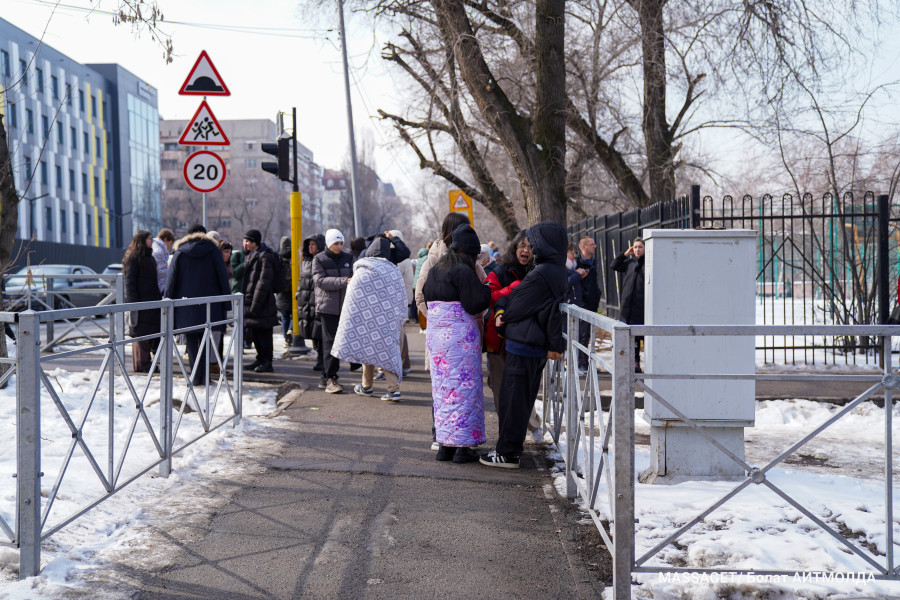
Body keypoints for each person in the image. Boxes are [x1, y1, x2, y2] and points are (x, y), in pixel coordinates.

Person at [480, 222, 568, 469]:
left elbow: (517, 303)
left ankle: (507, 453)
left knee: (514, 402)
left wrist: (502, 316)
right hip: (530, 344)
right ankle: (509, 450)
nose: (531, 247)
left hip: (525, 344)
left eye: (535, 242)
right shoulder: (553, 269)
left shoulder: (543, 272)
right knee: (519, 400)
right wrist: (503, 307)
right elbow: (512, 298)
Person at [424, 224, 491, 464]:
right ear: (469, 252)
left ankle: (445, 447)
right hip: (460, 339)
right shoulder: (463, 270)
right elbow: (474, 304)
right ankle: (464, 448)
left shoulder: (436, 269)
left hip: (438, 339)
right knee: (465, 391)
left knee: (444, 392)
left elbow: (425, 294)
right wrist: (487, 289)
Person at [483, 231, 545, 446]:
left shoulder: (538, 272)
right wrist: (512, 289)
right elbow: (490, 298)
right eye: (522, 246)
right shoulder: (498, 272)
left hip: (525, 340)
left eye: (530, 247)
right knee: (501, 390)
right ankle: (506, 436)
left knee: (523, 389)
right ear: (514, 248)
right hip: (498, 342)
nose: (526, 250)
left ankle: (533, 426)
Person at [332, 236, 408, 401]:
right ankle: (393, 389)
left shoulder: (361, 270)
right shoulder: (393, 271)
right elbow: (402, 297)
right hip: (387, 320)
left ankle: (367, 386)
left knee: (368, 347)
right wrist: (401, 317)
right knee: (388, 352)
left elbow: (352, 298)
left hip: (365, 320)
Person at [165, 224, 230, 387]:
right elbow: (223, 276)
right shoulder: (214, 251)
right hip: (211, 305)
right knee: (207, 340)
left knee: (192, 341)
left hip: (186, 306)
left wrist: (167, 301)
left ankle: (195, 376)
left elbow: (171, 280)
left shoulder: (179, 252)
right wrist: (226, 304)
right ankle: (205, 377)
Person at [312, 228, 354, 393]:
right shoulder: (319, 259)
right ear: (329, 243)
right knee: (330, 343)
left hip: (345, 307)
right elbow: (320, 281)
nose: (339, 246)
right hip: (327, 308)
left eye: (341, 243)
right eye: (336, 243)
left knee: (342, 342)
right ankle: (331, 378)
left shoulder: (348, 258)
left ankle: (326, 375)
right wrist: (344, 281)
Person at [123, 230, 162, 373]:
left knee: (149, 333)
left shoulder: (149, 257)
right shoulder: (133, 257)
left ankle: (146, 363)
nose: (152, 241)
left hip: (151, 302)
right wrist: (135, 304)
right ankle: (141, 365)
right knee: (141, 335)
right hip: (141, 303)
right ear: (142, 240)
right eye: (149, 239)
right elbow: (130, 283)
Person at [242, 229, 279, 373]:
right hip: (253, 302)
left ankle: (267, 362)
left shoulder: (265, 256)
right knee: (256, 333)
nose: (244, 244)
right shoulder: (252, 255)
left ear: (254, 242)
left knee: (264, 334)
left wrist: (255, 305)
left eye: (247, 241)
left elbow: (264, 282)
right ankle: (260, 359)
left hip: (262, 303)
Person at [610, 237, 645, 372]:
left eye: (640, 247)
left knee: (641, 336)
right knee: (631, 336)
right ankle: (634, 362)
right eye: (635, 247)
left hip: (641, 306)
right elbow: (614, 265)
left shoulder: (647, 263)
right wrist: (625, 254)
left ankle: (642, 361)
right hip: (628, 305)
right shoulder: (630, 263)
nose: (637, 250)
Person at [297, 233, 326, 376]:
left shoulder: (323, 260)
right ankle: (319, 357)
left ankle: (322, 359)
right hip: (307, 300)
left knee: (319, 331)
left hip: (318, 301)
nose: (310, 247)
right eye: (309, 245)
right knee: (312, 332)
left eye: (313, 244)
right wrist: (298, 293)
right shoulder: (306, 261)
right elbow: (301, 280)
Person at [390, 230, 415, 374]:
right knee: (401, 333)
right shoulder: (406, 260)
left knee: (398, 334)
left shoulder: (399, 261)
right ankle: (405, 364)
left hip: (398, 301)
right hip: (405, 300)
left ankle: (403, 365)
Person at [576, 236, 600, 373]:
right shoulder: (578, 263)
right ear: (583, 247)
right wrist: (585, 294)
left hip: (592, 302)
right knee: (582, 333)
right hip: (583, 303)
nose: (594, 246)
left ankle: (584, 360)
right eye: (591, 244)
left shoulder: (592, 262)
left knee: (587, 334)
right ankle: (581, 362)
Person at [275, 236, 295, 348]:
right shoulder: (295, 256)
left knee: (284, 316)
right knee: (295, 314)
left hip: (282, 291)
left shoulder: (278, 257)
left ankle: (286, 340)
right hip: (293, 289)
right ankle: (291, 329)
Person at [151, 228, 175, 294]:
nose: (170, 247)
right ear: (165, 240)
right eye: (170, 244)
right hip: (158, 289)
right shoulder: (159, 252)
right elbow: (162, 273)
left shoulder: (153, 246)